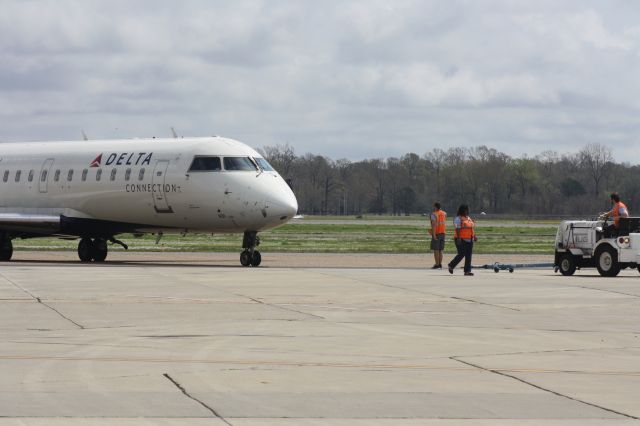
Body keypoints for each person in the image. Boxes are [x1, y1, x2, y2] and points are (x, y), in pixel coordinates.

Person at [448, 204, 477, 276]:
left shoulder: (468, 218)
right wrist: (458, 238)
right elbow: (457, 229)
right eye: (466, 209)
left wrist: (474, 236)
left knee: (468, 255)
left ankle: (467, 271)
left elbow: (471, 228)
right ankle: (451, 265)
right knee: (461, 254)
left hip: (470, 239)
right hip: (461, 239)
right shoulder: (458, 218)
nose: (468, 211)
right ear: (463, 210)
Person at [429, 202, 447, 269]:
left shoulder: (434, 214)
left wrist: (433, 235)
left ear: (435, 207)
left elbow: (434, 225)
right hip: (443, 233)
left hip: (437, 233)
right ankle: (440, 264)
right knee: (441, 250)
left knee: (436, 250)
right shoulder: (444, 213)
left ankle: (437, 264)